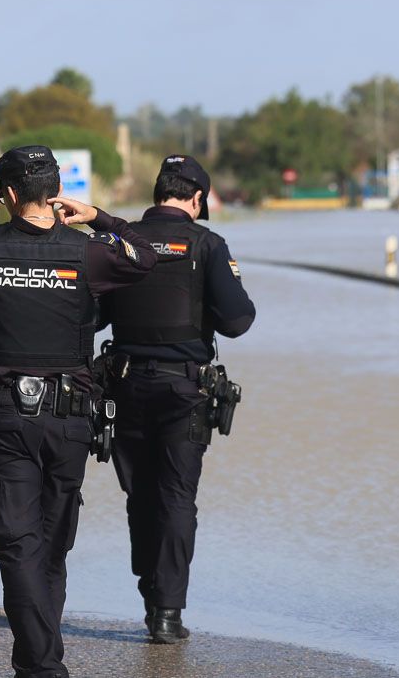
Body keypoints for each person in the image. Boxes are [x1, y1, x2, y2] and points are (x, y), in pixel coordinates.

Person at [0, 144, 154, 678]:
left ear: (4, 194)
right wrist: (99, 216)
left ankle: (44, 676)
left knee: (19, 548)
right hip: (71, 420)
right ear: (54, 193)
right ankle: (37, 673)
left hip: (3, 419)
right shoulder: (89, 252)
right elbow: (147, 257)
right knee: (48, 550)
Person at [54, 154, 255, 643]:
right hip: (182, 391)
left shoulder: (121, 241)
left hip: (122, 389)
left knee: (140, 496)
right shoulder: (207, 245)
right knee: (176, 497)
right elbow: (237, 320)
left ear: (156, 192)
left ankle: (151, 595)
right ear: (198, 199)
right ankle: (166, 612)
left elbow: (91, 318)